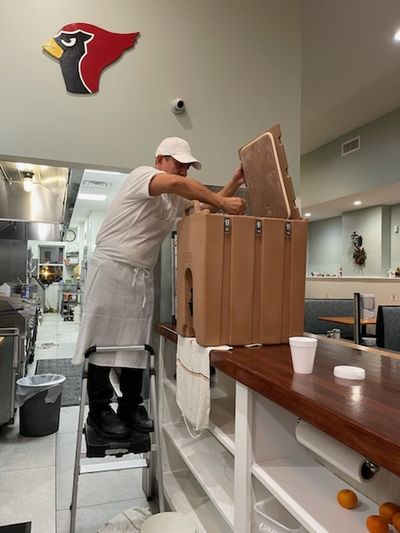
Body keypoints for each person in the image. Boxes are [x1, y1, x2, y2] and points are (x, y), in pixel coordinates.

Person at [72, 136, 246, 439]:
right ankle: (99, 411)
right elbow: (182, 187)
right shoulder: (142, 176)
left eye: (186, 166)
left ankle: (130, 406)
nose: (182, 170)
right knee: (101, 341)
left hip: (140, 275)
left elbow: (204, 210)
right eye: (177, 163)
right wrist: (222, 200)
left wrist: (232, 183)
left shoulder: (174, 199)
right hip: (111, 269)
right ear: (159, 161)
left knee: (137, 344)